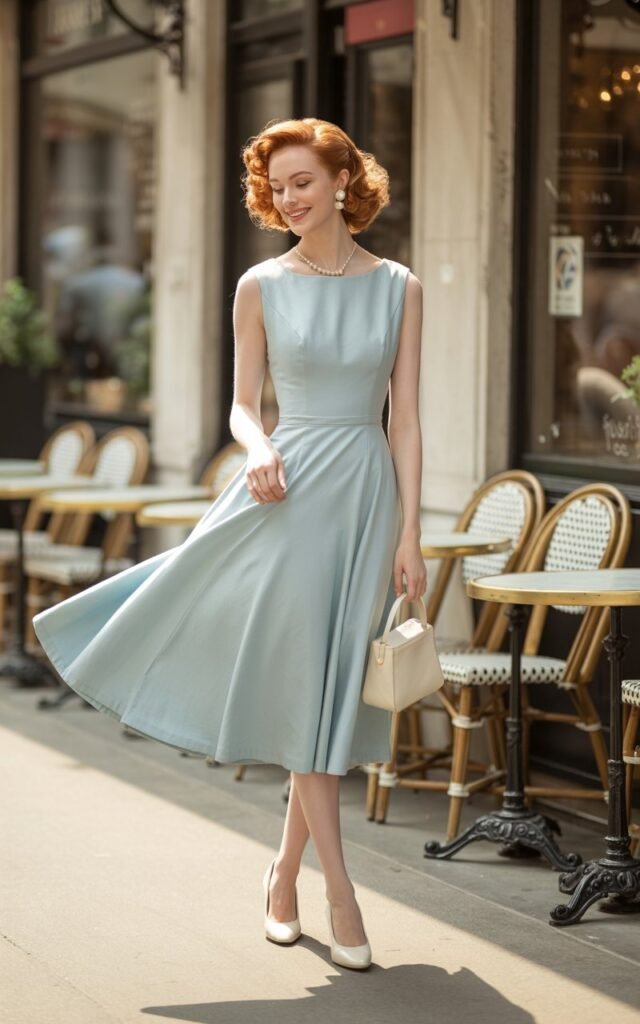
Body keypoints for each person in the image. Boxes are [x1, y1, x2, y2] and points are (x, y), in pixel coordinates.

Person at [32, 117, 426, 971]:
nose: (286, 200)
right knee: (303, 687)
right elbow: (243, 404)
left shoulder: (400, 285)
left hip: (363, 498)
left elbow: (407, 419)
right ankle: (340, 892)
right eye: (275, 187)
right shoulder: (260, 284)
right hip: (285, 494)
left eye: (302, 183)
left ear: (342, 180)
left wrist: (412, 534)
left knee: (321, 700)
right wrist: (257, 445)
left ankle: (282, 875)